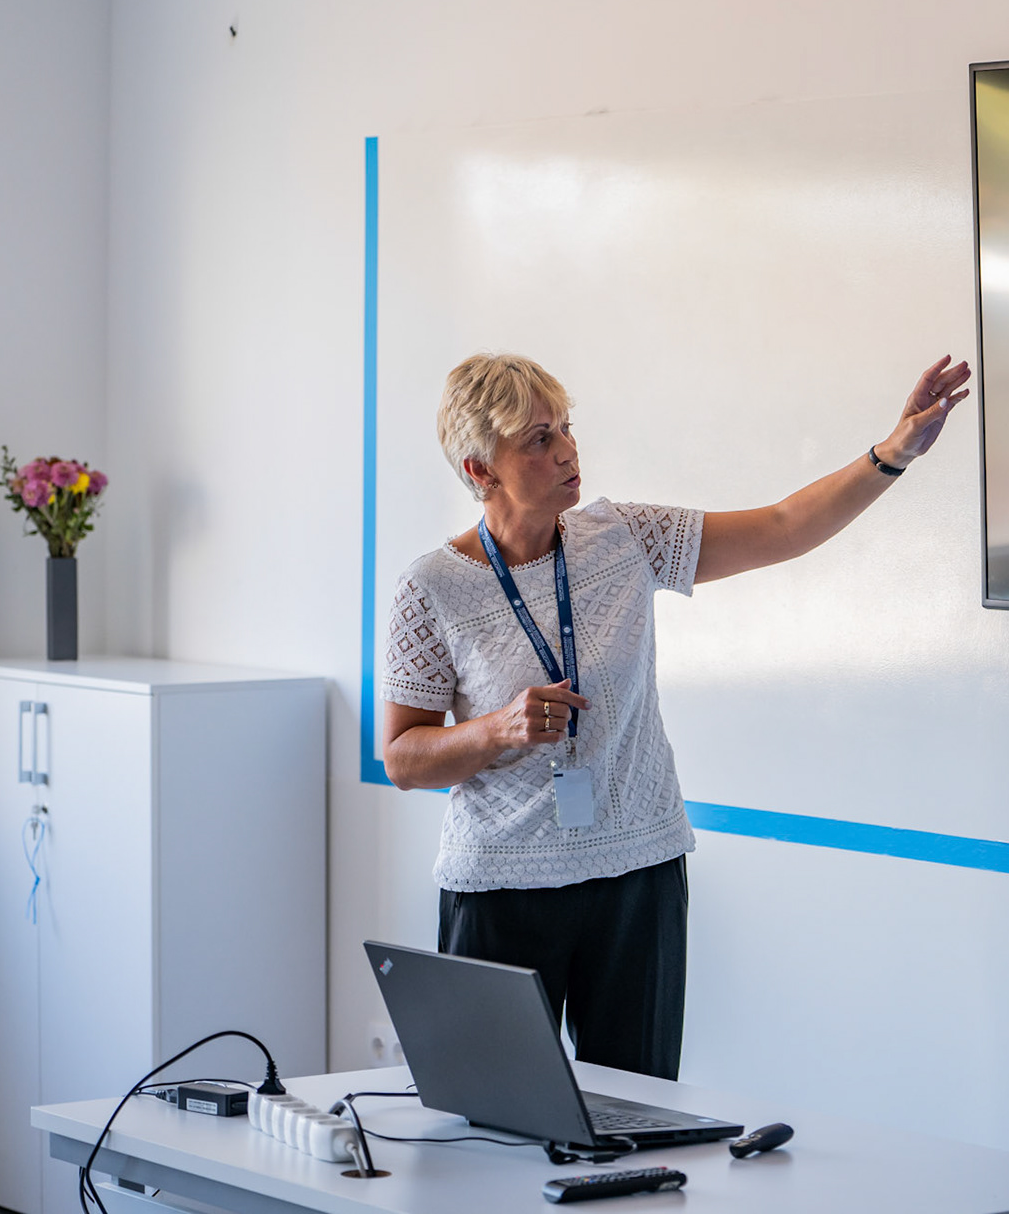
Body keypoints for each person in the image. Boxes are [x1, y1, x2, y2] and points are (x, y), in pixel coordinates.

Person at [379, 350, 971, 1079]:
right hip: (500, 884)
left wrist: (893, 453)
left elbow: (784, 525)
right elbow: (402, 758)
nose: (567, 451)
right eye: (538, 438)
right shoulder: (432, 587)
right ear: (480, 470)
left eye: (566, 428)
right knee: (494, 1110)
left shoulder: (623, 536)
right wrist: (496, 729)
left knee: (640, 1114)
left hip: (638, 871)